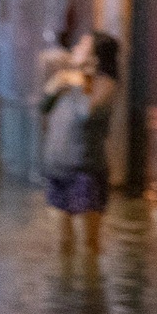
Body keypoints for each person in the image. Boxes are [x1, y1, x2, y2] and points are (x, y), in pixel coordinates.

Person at [40, 32, 118, 252]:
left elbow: (88, 113)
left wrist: (80, 81)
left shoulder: (106, 85)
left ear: (96, 57)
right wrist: (54, 85)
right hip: (57, 168)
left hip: (86, 171)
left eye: (83, 45)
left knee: (89, 244)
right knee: (62, 243)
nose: (75, 48)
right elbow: (43, 108)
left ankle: (89, 285)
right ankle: (65, 285)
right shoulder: (65, 79)